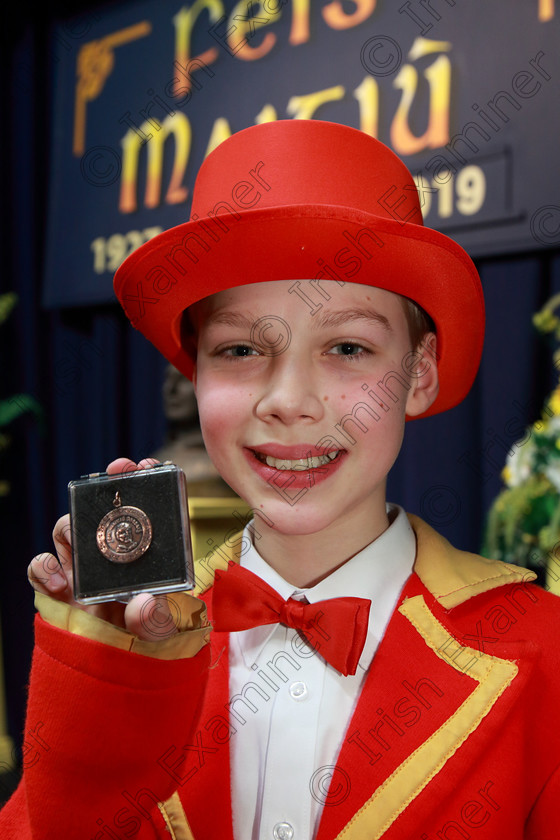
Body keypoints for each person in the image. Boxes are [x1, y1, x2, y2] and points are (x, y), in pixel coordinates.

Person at [1, 119, 559, 839]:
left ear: (418, 375)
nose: (288, 399)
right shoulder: (126, 643)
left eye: (348, 346)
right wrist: (95, 716)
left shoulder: (543, 652)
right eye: (239, 348)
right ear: (193, 374)